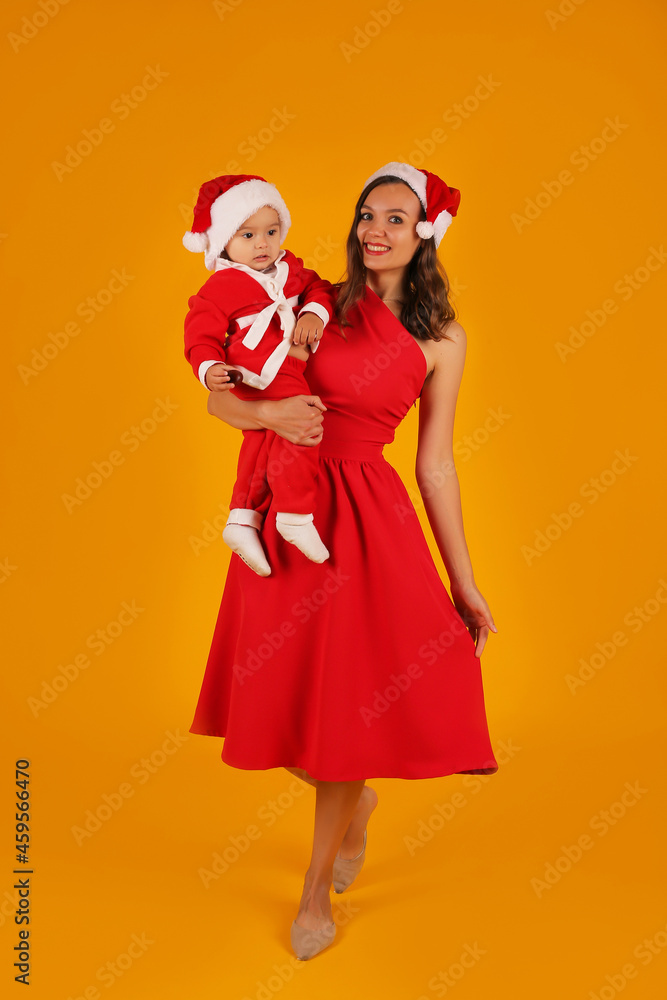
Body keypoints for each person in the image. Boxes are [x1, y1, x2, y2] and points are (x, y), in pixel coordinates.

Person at [188, 161, 500, 961]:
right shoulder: (307, 300)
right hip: (284, 507)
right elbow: (221, 398)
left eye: (396, 217)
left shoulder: (443, 340)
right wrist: (266, 410)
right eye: (367, 214)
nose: (375, 229)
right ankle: (356, 804)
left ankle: (313, 891)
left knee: (342, 714)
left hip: (367, 522)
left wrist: (463, 583)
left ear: (425, 232)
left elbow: (435, 465)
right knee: (278, 704)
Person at [183, 174, 335, 576]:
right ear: (224, 243)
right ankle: (295, 514)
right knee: (302, 424)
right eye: (247, 235)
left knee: (261, 445)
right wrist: (210, 368)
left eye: (271, 231)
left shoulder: (291, 270)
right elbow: (200, 334)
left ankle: (241, 519)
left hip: (283, 367)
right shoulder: (221, 286)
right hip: (251, 374)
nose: (262, 243)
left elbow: (320, 288)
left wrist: (312, 313)